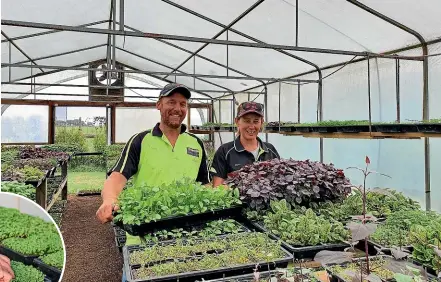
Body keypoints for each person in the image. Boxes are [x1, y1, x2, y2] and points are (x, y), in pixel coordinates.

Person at [96, 83, 210, 224]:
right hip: (145, 227)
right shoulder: (140, 140)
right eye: (171, 102)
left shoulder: (196, 144)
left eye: (183, 104)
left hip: (186, 227)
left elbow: (204, 184)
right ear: (159, 105)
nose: (177, 109)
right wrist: (110, 199)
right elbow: (117, 177)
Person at [210, 101, 280, 187]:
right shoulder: (225, 151)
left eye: (256, 121)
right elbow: (217, 187)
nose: (251, 126)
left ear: (261, 122)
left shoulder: (270, 150)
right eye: (247, 121)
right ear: (237, 121)